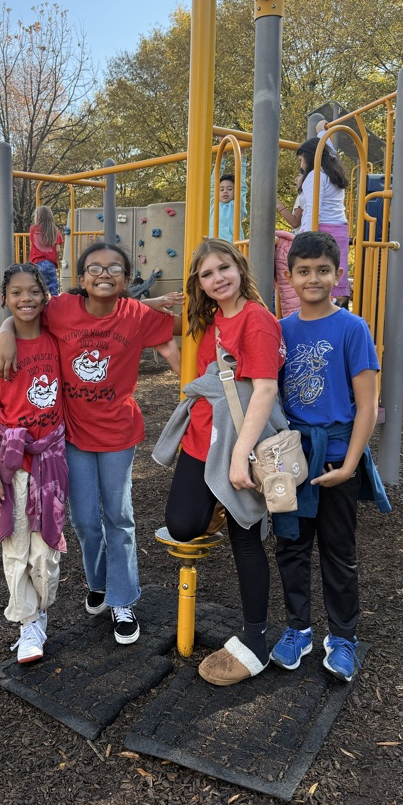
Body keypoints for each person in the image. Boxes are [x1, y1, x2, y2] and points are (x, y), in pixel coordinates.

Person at [0, 241, 181, 646]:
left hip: (117, 435)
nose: (104, 274)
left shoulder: (136, 314)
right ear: (81, 279)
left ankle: (123, 598)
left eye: (115, 268)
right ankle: (98, 583)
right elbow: (24, 311)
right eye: (95, 267)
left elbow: (178, 332)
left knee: (119, 516)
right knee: (84, 522)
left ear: (126, 280)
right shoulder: (60, 311)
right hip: (72, 435)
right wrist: (5, 330)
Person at [160, 238, 286, 686]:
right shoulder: (210, 321)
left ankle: (256, 639)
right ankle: (215, 502)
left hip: (241, 441)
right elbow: (204, 381)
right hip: (203, 438)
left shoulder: (257, 320)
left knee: (245, 535)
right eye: (208, 273)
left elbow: (265, 390)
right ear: (200, 282)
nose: (218, 278)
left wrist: (239, 456)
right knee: (180, 525)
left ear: (239, 268)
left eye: (224, 268)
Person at [270, 231, 390, 684]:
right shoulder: (281, 331)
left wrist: (350, 464)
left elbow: (367, 404)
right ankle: (298, 628)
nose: (313, 278)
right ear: (291, 276)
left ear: (338, 275)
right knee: (291, 546)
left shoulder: (353, 328)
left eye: (323, 270)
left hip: (338, 454)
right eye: (304, 271)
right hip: (293, 460)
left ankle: (343, 637)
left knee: (339, 551)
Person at [0, 263, 68, 664]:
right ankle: (27, 621)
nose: (25, 299)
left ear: (45, 296)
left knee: (45, 552)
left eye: (33, 291)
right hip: (12, 463)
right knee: (15, 548)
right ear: (5, 298)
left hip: (52, 461)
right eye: (16, 292)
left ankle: (42, 609)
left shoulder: (58, 341)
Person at [276, 137, 351, 303]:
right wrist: (321, 129)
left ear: (310, 157)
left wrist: (306, 237)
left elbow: (312, 210)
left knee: (314, 271)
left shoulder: (314, 176)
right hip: (340, 230)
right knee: (336, 274)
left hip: (322, 229)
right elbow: (326, 144)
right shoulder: (334, 175)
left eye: (302, 160)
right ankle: (337, 309)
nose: (301, 166)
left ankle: (323, 309)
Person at [29, 205, 64, 297]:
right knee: (53, 288)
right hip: (50, 264)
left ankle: (40, 306)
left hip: (36, 263)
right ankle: (55, 307)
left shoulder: (33, 229)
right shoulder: (55, 231)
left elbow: (32, 245)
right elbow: (58, 250)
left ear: (38, 217)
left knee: (37, 288)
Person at [209, 171, 247, 244]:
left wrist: (243, 161)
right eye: (221, 189)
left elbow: (241, 187)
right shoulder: (213, 205)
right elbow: (213, 185)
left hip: (233, 247)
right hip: (215, 246)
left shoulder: (236, 206)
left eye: (229, 189)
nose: (225, 192)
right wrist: (221, 161)